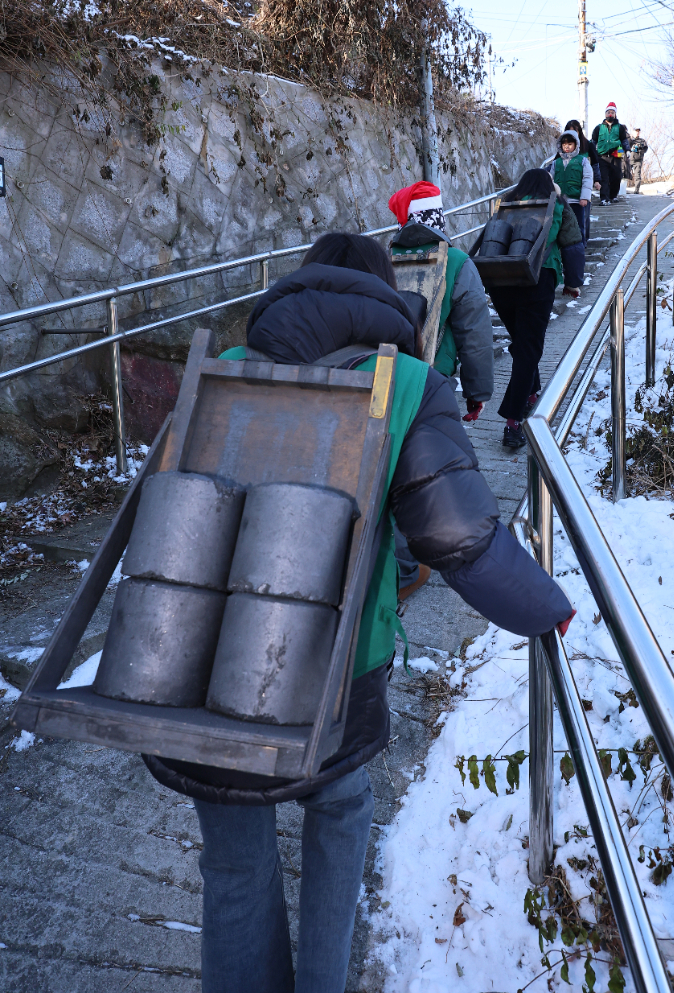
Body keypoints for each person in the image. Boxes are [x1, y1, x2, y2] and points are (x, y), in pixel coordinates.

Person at [143, 231, 576, 993]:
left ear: (300, 291)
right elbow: (456, 535)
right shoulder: (407, 381)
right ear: (384, 298)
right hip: (340, 674)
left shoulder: (224, 368)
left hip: (209, 669)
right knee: (338, 816)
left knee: (235, 859)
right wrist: (544, 606)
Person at [388, 180, 495, 599]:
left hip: (384, 378)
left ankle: (398, 564)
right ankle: (419, 561)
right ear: (439, 219)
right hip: (433, 386)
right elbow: (475, 333)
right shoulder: (456, 263)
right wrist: (478, 391)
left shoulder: (384, 258)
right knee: (429, 474)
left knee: (389, 468)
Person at [486, 169, 585, 449]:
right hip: (537, 279)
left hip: (501, 281)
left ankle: (531, 393)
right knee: (528, 348)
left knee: (522, 343)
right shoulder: (556, 204)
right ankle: (513, 421)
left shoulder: (508, 203)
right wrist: (573, 283)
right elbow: (573, 246)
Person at [547, 129, 594, 246]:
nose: (566, 147)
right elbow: (550, 180)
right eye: (564, 144)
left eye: (569, 144)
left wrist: (584, 198)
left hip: (576, 201)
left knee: (578, 225)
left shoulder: (582, 161)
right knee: (560, 226)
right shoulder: (555, 163)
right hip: (560, 202)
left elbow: (587, 179)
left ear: (576, 145)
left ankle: (580, 247)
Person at [563, 119, 602, 241]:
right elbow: (554, 165)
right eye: (569, 132)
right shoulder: (564, 149)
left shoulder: (588, 145)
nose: (572, 134)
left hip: (584, 184)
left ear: (579, 131)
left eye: (575, 131)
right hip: (569, 187)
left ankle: (584, 240)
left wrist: (597, 180)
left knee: (584, 215)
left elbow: (595, 163)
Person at [591, 102, 630, 205]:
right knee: (603, 177)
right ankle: (604, 198)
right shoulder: (598, 128)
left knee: (616, 177)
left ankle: (613, 195)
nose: (610, 114)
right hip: (602, 156)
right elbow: (593, 141)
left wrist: (627, 150)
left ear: (615, 114)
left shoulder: (620, 127)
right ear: (605, 114)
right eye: (608, 112)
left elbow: (624, 140)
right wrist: (590, 152)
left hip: (616, 156)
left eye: (612, 112)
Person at [629, 127, 649, 194]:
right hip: (629, 159)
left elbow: (645, 149)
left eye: (638, 131)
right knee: (624, 174)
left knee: (637, 175)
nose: (637, 133)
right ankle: (622, 189)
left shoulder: (642, 141)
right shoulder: (629, 139)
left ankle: (636, 190)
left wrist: (640, 150)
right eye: (636, 131)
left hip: (638, 160)